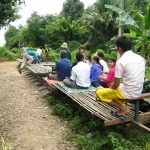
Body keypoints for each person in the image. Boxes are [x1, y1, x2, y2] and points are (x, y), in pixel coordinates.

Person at [96, 36, 145, 117]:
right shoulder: (141, 59)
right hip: (138, 90)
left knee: (99, 93)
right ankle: (121, 105)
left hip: (128, 93)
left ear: (120, 48)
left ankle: (123, 108)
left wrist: (108, 90)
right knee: (117, 88)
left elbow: (116, 85)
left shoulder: (121, 61)